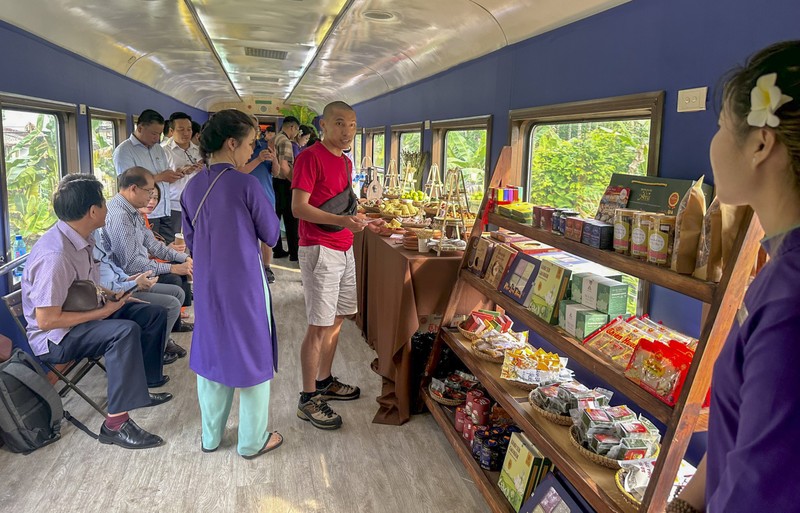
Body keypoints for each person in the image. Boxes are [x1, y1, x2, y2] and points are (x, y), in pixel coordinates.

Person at [670, 41, 800, 513]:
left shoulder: (788, 302)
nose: (714, 142)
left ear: (761, 144)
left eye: (722, 126)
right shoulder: (778, 268)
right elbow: (740, 431)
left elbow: (760, 487)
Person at [21, 174, 171, 449]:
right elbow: (46, 320)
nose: (106, 206)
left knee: (153, 314)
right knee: (123, 332)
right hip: (57, 338)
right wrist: (101, 314)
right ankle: (115, 425)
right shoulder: (55, 255)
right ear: (92, 211)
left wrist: (112, 295)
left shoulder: (82, 238)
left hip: (81, 316)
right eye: (102, 202)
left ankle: (143, 387)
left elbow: (83, 285)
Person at [181, 109, 283, 458]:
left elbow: (191, 241)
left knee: (212, 352)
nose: (252, 151)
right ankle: (252, 441)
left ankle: (210, 437)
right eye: (251, 144)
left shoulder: (192, 187)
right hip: (244, 283)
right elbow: (271, 233)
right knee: (253, 354)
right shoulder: (246, 184)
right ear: (231, 143)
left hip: (207, 283)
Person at [292, 101, 384, 429]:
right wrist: (343, 221)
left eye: (353, 125)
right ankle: (307, 398)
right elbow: (299, 208)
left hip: (344, 248)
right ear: (324, 124)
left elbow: (344, 205)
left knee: (338, 318)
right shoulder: (309, 158)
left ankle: (324, 380)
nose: (347, 131)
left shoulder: (345, 161)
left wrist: (362, 219)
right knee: (319, 325)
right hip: (319, 248)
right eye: (340, 123)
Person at [101, 167, 194, 314]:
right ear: (133, 189)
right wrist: (173, 268)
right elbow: (131, 264)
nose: (150, 198)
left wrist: (184, 258)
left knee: (177, 292)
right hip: (125, 281)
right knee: (173, 299)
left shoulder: (131, 211)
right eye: (149, 192)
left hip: (136, 274)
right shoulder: (120, 216)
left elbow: (153, 244)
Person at [112, 109, 184, 243]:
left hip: (165, 209)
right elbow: (127, 184)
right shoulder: (124, 151)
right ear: (140, 128)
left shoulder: (158, 149)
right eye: (153, 133)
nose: (157, 138)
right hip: (145, 212)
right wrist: (160, 177)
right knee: (150, 251)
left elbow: (165, 172)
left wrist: (174, 174)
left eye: (159, 134)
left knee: (170, 250)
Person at [241, 121, 278, 283]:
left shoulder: (265, 146)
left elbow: (275, 173)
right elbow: (238, 172)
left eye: (256, 128)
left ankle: (266, 267)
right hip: (243, 198)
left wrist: (274, 159)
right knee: (246, 235)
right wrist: (258, 159)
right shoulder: (238, 148)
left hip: (266, 196)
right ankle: (248, 267)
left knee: (266, 235)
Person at [162, 112, 203, 244]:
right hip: (174, 205)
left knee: (196, 242)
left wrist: (204, 169)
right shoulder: (163, 151)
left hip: (197, 204)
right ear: (171, 131)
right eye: (181, 129)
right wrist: (178, 172)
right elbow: (158, 179)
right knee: (176, 244)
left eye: (189, 129)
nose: (186, 133)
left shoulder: (199, 151)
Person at [272, 116, 301, 261]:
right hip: (284, 184)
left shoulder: (275, 138)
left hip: (274, 182)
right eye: (297, 130)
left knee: (276, 217)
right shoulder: (285, 142)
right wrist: (295, 183)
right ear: (292, 127)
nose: (296, 133)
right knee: (291, 220)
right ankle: (294, 253)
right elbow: (284, 167)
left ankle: (277, 249)